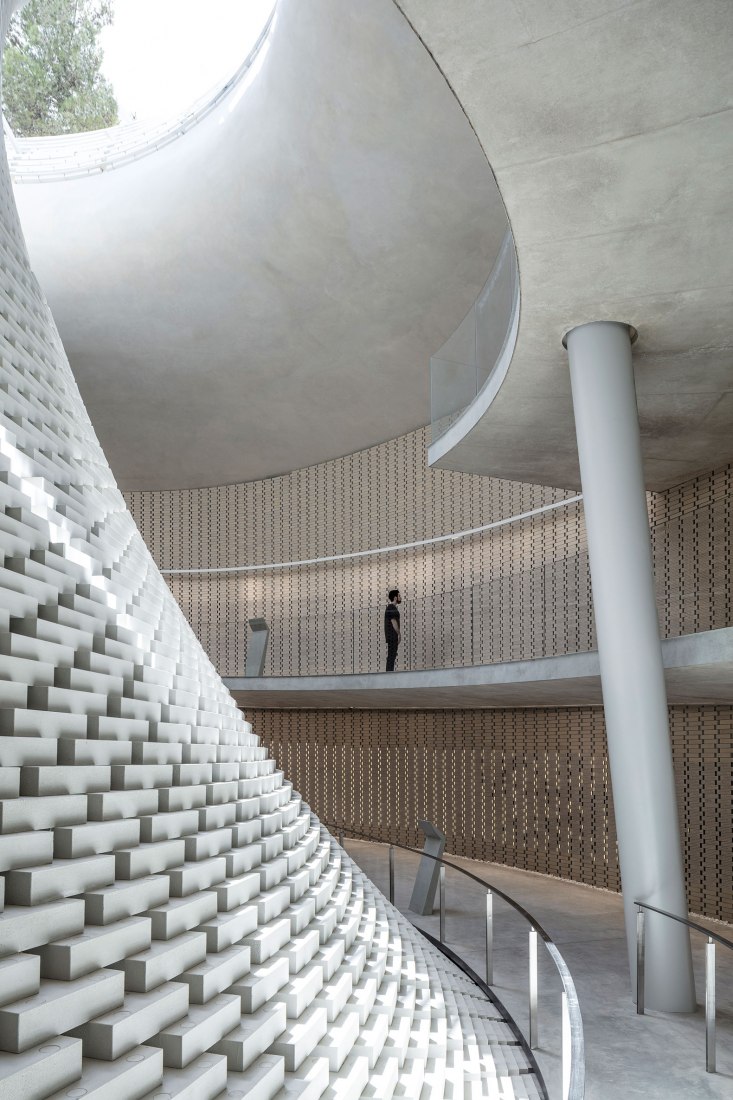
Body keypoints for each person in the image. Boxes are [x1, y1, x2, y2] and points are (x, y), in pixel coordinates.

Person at [384, 588, 401, 671]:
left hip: (391, 635)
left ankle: (389, 672)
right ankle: (389, 673)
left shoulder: (391, 607)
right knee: (392, 655)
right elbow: (393, 621)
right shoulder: (391, 607)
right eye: (399, 595)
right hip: (392, 635)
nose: (400, 597)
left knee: (392, 654)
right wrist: (399, 634)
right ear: (395, 597)